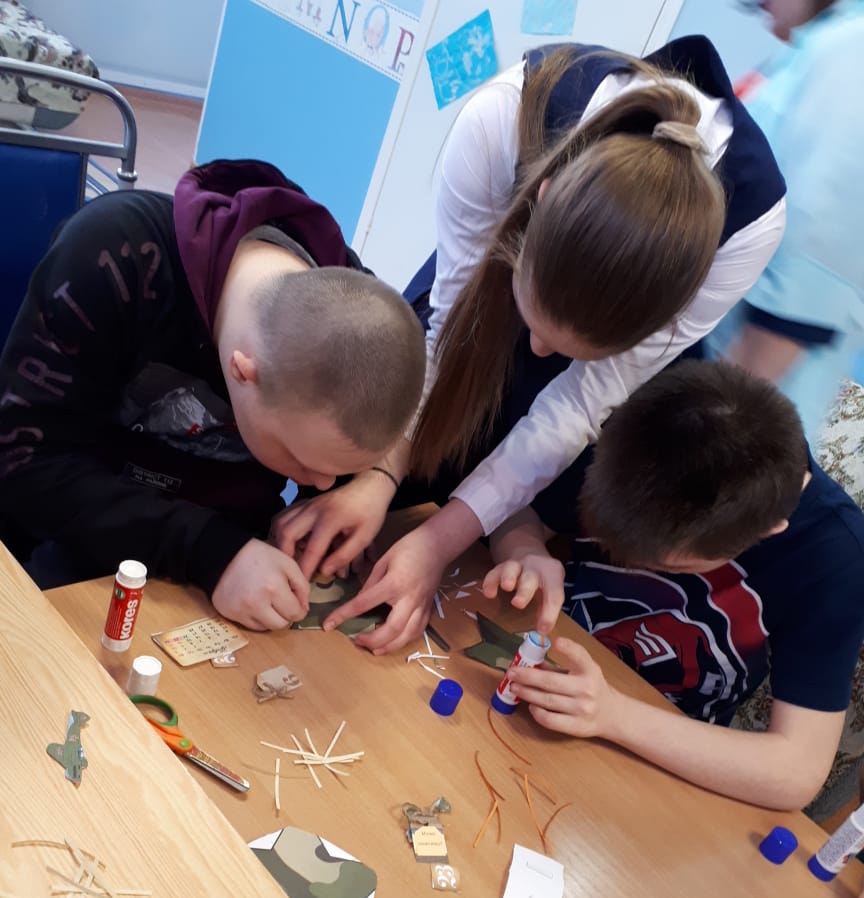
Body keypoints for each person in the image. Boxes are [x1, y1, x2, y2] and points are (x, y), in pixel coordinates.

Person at [274, 35, 787, 652]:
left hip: (574, 366)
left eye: (571, 348)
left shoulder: (750, 226)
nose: (537, 353)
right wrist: (380, 476)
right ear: (539, 203)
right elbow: (450, 330)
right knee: (354, 481)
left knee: (506, 479)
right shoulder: (503, 119)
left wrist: (438, 542)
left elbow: (577, 404)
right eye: (534, 320)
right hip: (466, 312)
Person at [0, 159, 426, 630]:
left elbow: (376, 437)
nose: (321, 484)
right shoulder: (112, 258)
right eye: (301, 462)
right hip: (76, 540)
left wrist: (370, 482)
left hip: (231, 562)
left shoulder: (352, 308)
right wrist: (211, 552)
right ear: (243, 372)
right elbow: (23, 466)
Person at [480, 360, 864, 811]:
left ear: (768, 531)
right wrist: (524, 550)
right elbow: (510, 505)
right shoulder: (643, 413)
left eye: (668, 565)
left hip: (660, 754)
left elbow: (795, 772)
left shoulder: (834, 556)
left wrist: (612, 713)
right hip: (542, 669)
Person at [710, 0, 864, 440]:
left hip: (738, 400)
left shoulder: (852, 52)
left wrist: (718, 416)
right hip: (728, 380)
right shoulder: (822, 46)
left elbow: (817, 253)